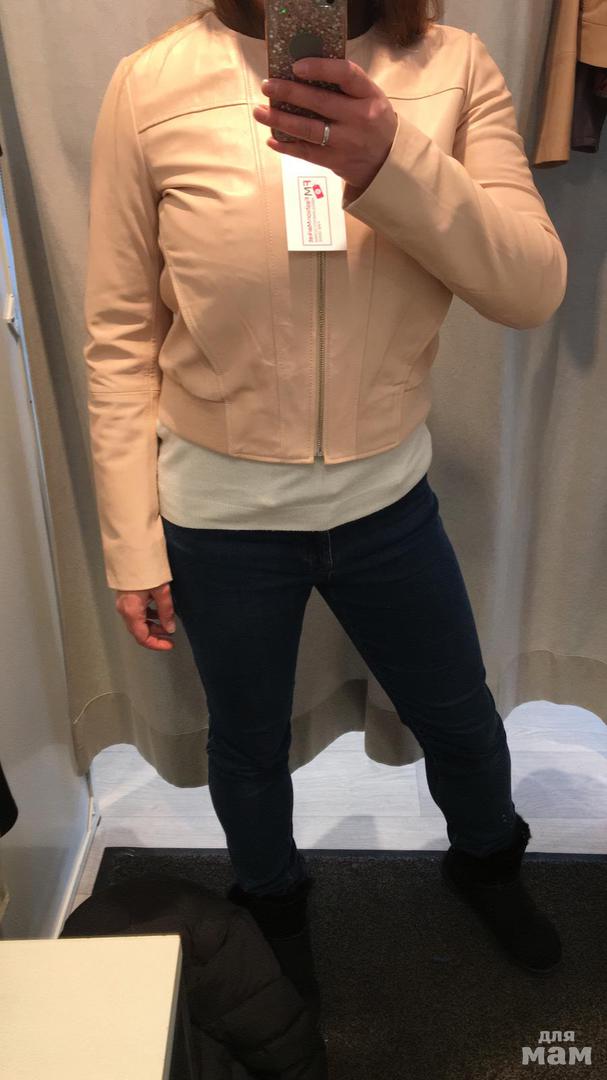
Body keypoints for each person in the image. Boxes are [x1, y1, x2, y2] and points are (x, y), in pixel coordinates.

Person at [83, 0, 567, 1020]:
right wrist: (132, 542)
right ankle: (273, 907)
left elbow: (530, 288)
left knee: (460, 720)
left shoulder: (452, 66)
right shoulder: (150, 86)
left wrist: (394, 161)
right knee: (246, 743)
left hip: (386, 502)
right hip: (217, 517)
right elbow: (121, 333)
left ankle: (487, 863)